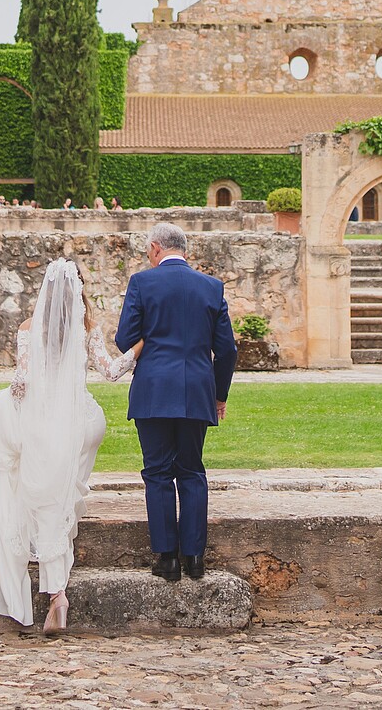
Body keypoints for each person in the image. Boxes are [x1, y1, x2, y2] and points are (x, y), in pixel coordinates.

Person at [0, 259, 139, 636]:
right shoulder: (88, 331)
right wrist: (142, 345)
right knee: (59, 499)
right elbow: (112, 372)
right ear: (78, 294)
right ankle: (57, 594)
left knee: (46, 501)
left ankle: (57, 594)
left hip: (46, 427)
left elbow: (20, 384)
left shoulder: (29, 329)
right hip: (82, 425)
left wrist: (14, 404)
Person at [114, 223, 237, 583]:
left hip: (152, 389)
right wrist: (219, 393)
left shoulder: (142, 282)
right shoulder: (211, 287)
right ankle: (195, 558)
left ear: (155, 248)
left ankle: (167, 558)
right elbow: (227, 349)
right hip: (197, 390)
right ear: (185, 249)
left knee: (156, 473)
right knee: (192, 470)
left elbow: (125, 338)